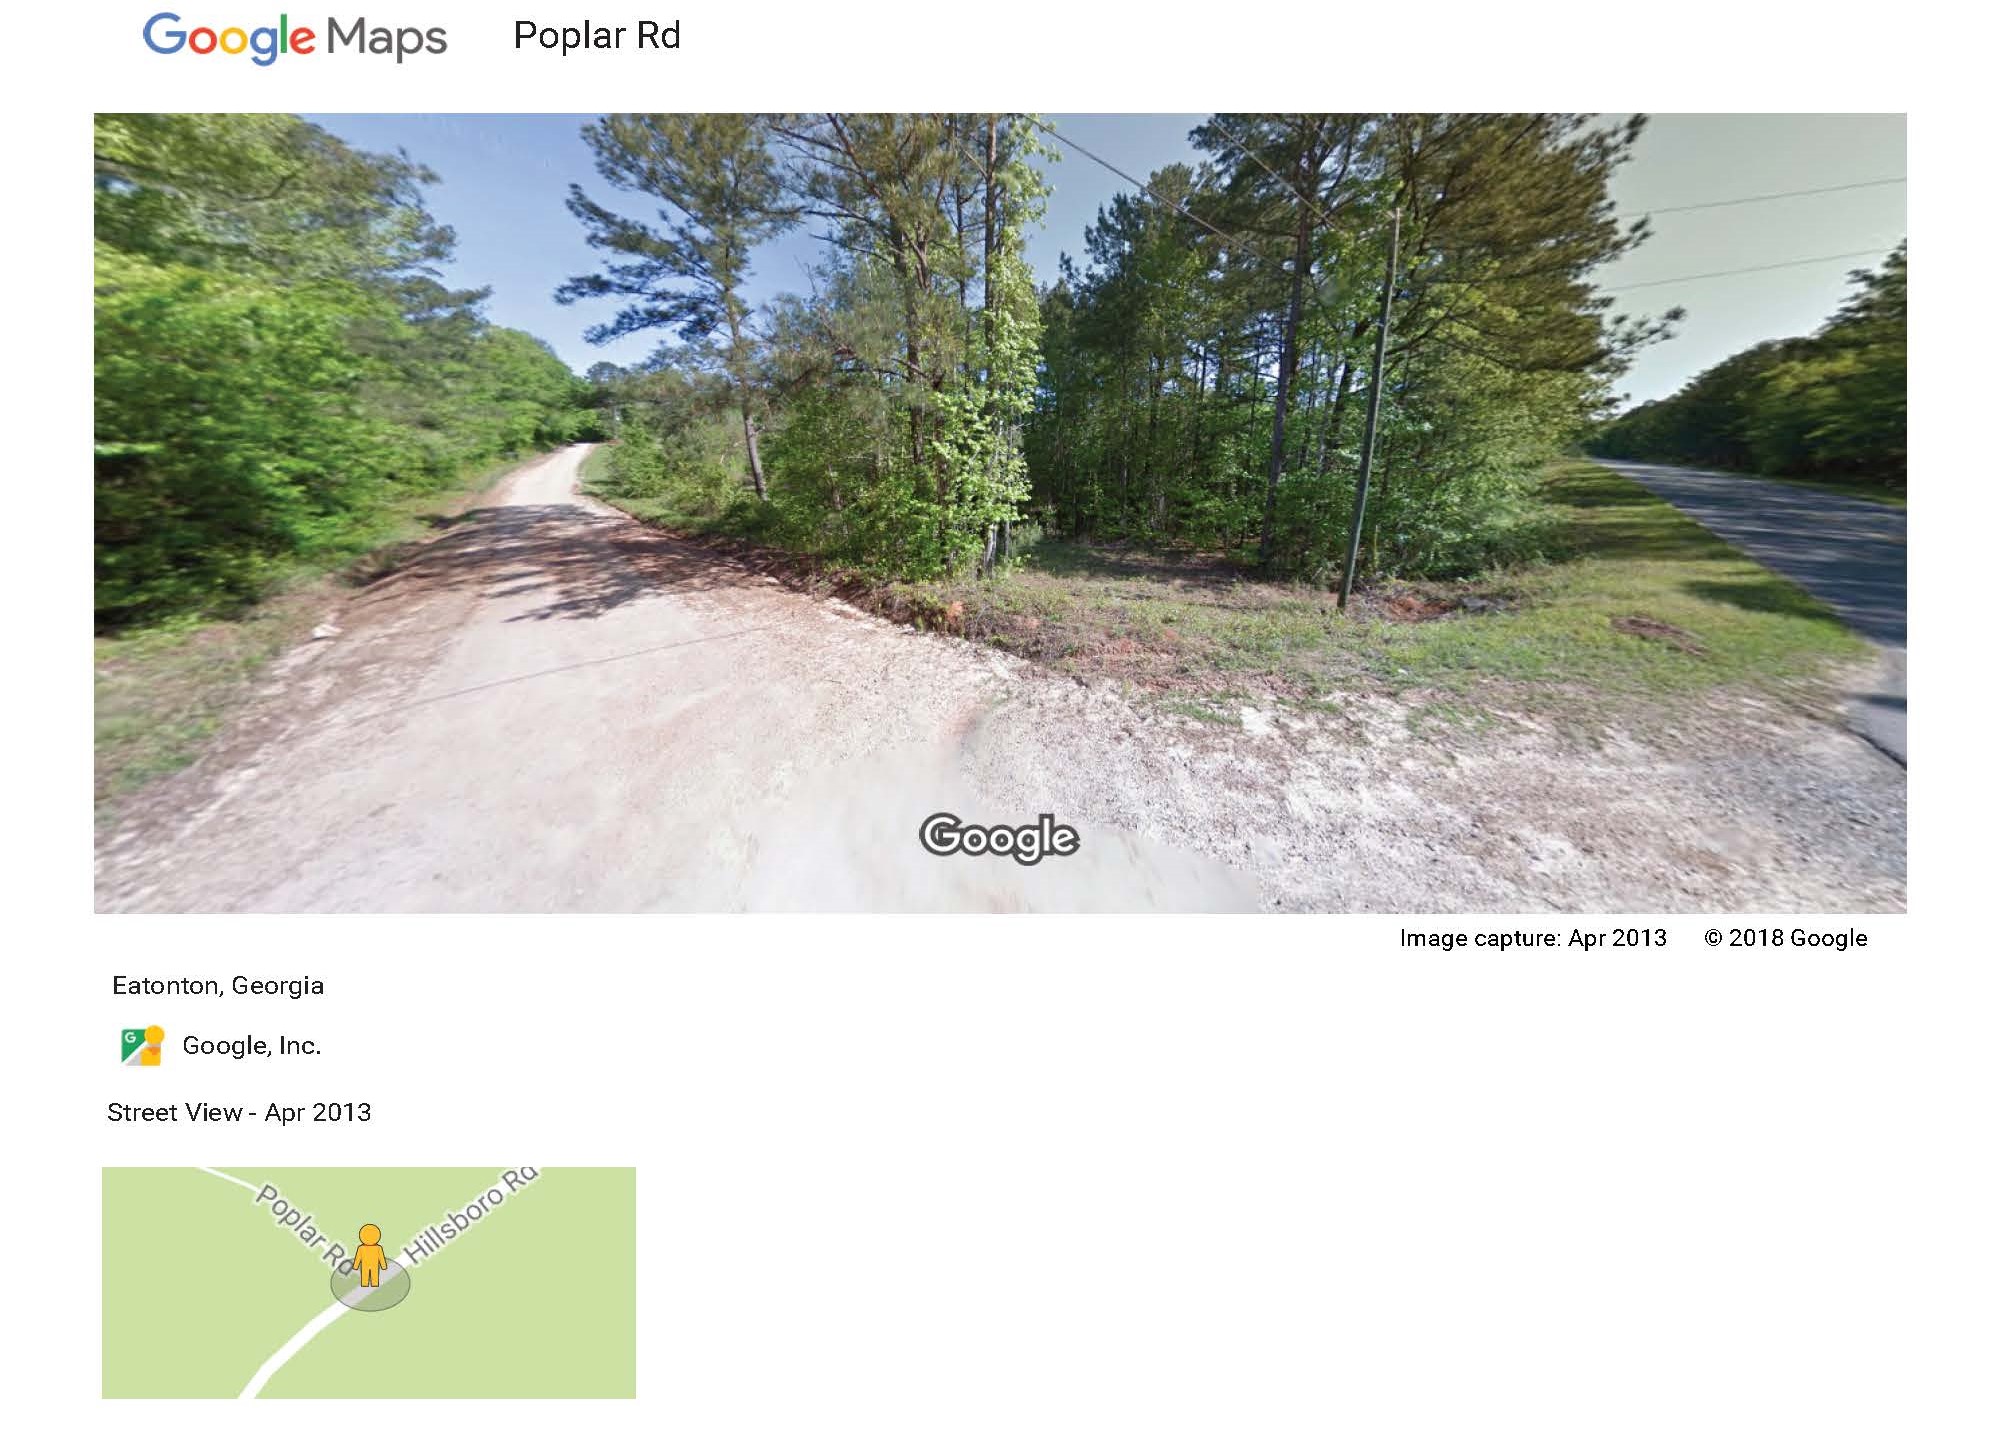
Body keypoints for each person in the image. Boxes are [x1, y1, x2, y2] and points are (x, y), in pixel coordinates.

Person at [353, 1224, 388, 1289]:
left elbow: (358, 1258)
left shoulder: (361, 1248)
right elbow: (381, 1258)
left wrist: (355, 1266)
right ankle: (372, 1285)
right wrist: (383, 1266)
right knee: (373, 1277)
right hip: (373, 1265)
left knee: (366, 1277)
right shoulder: (377, 1248)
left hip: (366, 1265)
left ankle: (366, 1285)